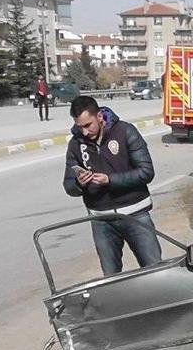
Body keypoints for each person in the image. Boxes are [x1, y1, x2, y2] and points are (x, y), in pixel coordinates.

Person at [62, 96, 162, 276]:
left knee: (155, 271)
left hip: (135, 216)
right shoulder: (75, 144)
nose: (84, 132)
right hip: (101, 221)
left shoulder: (125, 131)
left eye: (88, 125)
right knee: (110, 278)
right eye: (79, 126)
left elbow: (146, 172)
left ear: (99, 116)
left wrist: (110, 180)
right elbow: (69, 186)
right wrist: (79, 183)